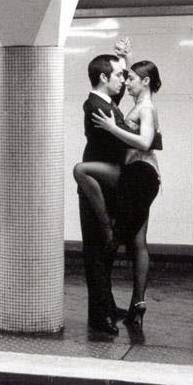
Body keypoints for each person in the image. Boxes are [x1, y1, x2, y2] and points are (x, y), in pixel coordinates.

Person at [83, 59, 162, 329]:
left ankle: (125, 307)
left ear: (145, 82)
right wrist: (126, 58)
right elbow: (124, 83)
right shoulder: (136, 104)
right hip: (135, 176)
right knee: (137, 241)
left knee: (121, 240)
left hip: (141, 176)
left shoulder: (147, 108)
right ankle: (136, 307)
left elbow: (145, 142)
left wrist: (113, 128)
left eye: (131, 79)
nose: (126, 82)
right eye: (123, 76)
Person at [72, 42, 132, 335]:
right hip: (95, 185)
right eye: (119, 75)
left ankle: (106, 304)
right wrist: (142, 136)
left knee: (105, 251)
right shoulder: (96, 107)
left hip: (104, 184)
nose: (123, 80)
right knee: (96, 252)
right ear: (103, 78)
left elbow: (121, 91)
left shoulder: (106, 103)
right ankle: (99, 316)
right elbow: (120, 141)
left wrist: (124, 58)